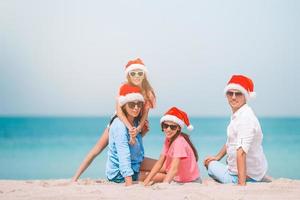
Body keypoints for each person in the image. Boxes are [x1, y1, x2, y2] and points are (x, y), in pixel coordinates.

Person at [72, 58, 156, 182]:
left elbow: (145, 115)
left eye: (140, 73)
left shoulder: (148, 92)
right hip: (120, 121)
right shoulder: (123, 87)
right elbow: (120, 112)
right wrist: (129, 128)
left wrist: (137, 129)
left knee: (131, 149)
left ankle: (135, 172)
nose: (137, 76)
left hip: (137, 122)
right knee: (97, 149)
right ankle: (75, 178)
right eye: (133, 73)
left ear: (144, 74)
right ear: (128, 74)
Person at [203, 75, 268, 186]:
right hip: (252, 171)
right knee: (211, 161)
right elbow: (231, 141)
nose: (233, 97)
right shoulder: (238, 114)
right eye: (230, 93)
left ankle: (237, 180)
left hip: (247, 177)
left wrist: (241, 185)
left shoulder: (245, 118)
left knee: (211, 166)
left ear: (246, 96)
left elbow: (241, 152)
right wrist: (218, 156)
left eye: (238, 93)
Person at [143, 107, 200, 186]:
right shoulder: (169, 139)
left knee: (141, 175)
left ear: (178, 129)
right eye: (165, 126)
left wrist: (163, 185)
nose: (168, 129)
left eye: (173, 127)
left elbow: (174, 169)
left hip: (187, 180)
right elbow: (160, 161)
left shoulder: (179, 142)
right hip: (173, 174)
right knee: (144, 174)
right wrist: (147, 180)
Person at [106, 83, 150, 186]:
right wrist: (129, 185)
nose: (136, 108)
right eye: (131, 104)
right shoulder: (119, 126)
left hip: (136, 164)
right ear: (124, 106)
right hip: (119, 174)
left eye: (138, 104)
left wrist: (141, 132)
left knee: (165, 167)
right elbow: (123, 156)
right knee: (163, 175)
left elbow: (133, 146)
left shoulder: (135, 122)